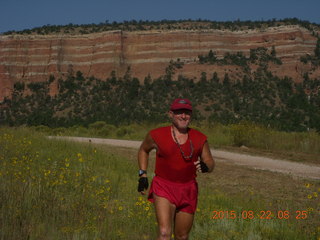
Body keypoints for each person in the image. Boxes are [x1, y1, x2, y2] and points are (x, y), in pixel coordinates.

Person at [137, 98, 215, 240]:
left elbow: (210, 161)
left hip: (188, 190)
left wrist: (206, 166)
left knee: (182, 236)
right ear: (171, 114)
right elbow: (143, 150)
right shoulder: (156, 135)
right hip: (163, 187)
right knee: (164, 233)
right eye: (179, 112)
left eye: (187, 112)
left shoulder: (200, 138)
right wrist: (142, 174)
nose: (183, 116)